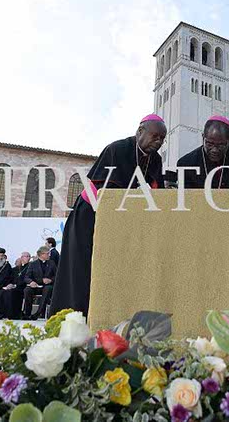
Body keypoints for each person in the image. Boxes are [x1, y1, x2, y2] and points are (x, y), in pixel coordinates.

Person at [49, 114, 166, 316]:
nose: (158, 142)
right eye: (155, 136)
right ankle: (74, 315)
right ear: (140, 131)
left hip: (120, 220)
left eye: (162, 139)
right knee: (81, 267)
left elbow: (156, 190)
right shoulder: (117, 149)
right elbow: (103, 189)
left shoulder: (155, 159)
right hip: (89, 216)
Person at [177, 115, 229, 189]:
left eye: (221, 145)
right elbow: (186, 196)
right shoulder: (186, 164)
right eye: (210, 144)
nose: (214, 150)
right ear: (203, 137)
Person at [0, 252, 32, 320]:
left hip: (22, 288)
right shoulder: (15, 269)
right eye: (26, 256)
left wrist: (15, 285)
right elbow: (10, 278)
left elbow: (27, 278)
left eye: (29, 256)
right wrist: (9, 284)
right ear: (21, 258)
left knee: (10, 293)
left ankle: (11, 314)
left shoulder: (30, 267)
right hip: (12, 287)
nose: (28, 258)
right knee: (1, 292)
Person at [22, 246, 57, 320]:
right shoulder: (33, 264)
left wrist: (50, 280)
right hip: (35, 286)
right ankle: (27, 313)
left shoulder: (52, 263)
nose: (49, 255)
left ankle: (38, 313)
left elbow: (57, 276)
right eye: (47, 254)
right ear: (41, 254)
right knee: (27, 290)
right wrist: (31, 282)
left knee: (48, 289)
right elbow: (26, 277)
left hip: (47, 287)